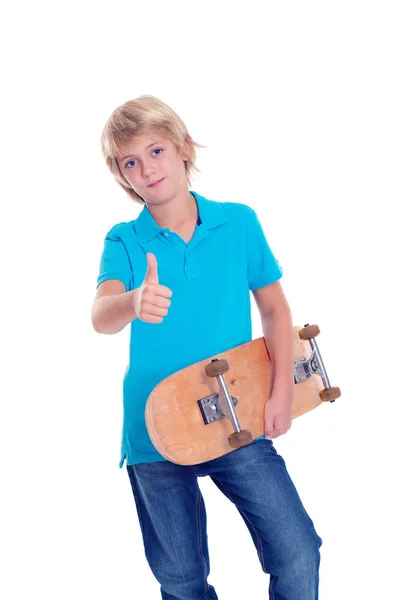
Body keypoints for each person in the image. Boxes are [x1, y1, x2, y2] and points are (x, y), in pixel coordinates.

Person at [91, 95, 323, 599]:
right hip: (153, 429)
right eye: (131, 161)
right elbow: (100, 317)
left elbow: (276, 311)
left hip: (236, 419)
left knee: (298, 550)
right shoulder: (125, 241)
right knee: (180, 578)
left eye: (155, 151)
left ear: (182, 147)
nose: (147, 169)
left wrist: (282, 391)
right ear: (121, 174)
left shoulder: (238, 222)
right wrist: (133, 301)